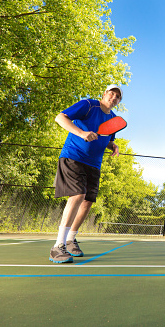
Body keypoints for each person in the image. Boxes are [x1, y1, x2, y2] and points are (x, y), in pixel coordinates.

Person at [49, 84, 123, 263]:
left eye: (117, 97)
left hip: (94, 164)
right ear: (105, 94)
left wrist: (112, 145)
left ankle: (70, 238)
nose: (113, 98)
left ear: (118, 101)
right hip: (73, 157)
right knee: (78, 195)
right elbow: (60, 118)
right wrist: (81, 133)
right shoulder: (88, 105)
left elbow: (104, 139)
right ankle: (58, 246)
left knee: (87, 202)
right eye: (111, 94)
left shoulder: (113, 119)